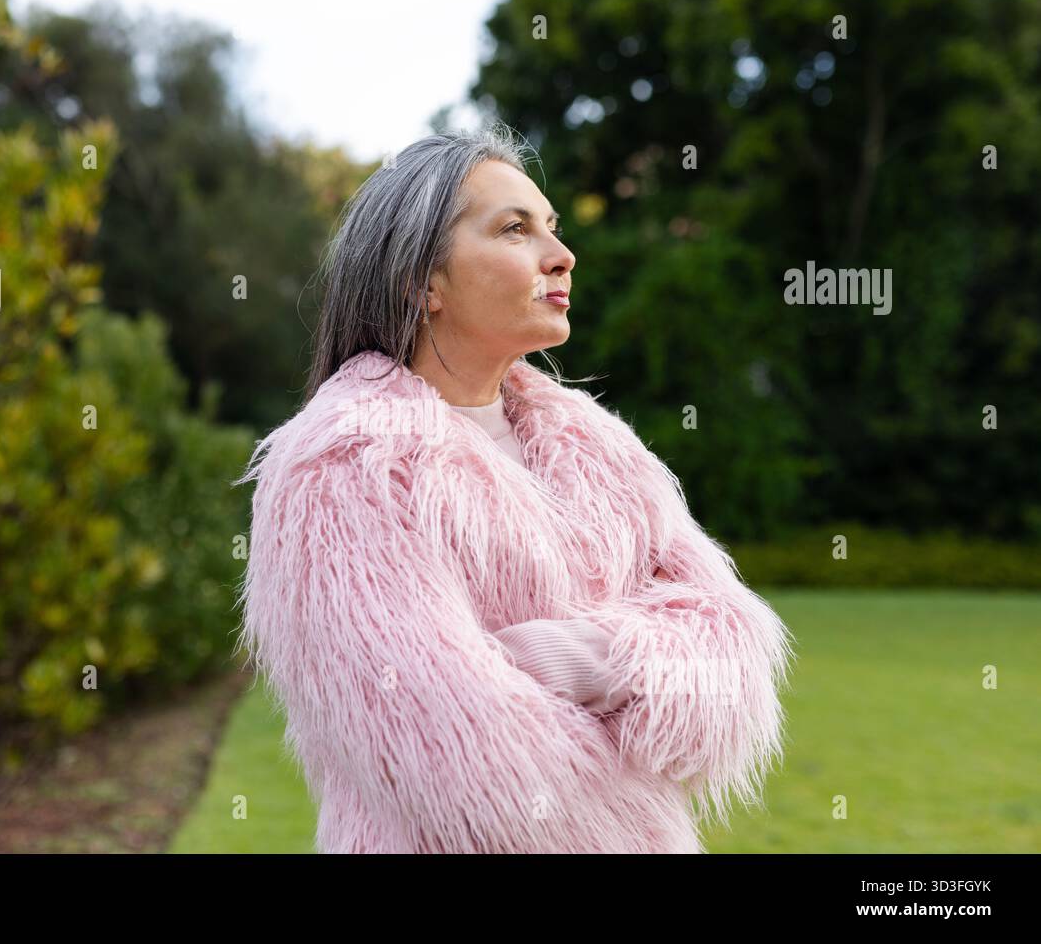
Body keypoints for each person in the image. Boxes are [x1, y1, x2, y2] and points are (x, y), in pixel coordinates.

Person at [231, 120, 796, 853]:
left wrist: (588, 655)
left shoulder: (603, 452)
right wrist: (627, 732)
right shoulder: (345, 465)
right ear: (421, 281)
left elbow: (732, 652)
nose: (562, 256)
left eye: (554, 229)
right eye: (515, 229)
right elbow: (451, 751)